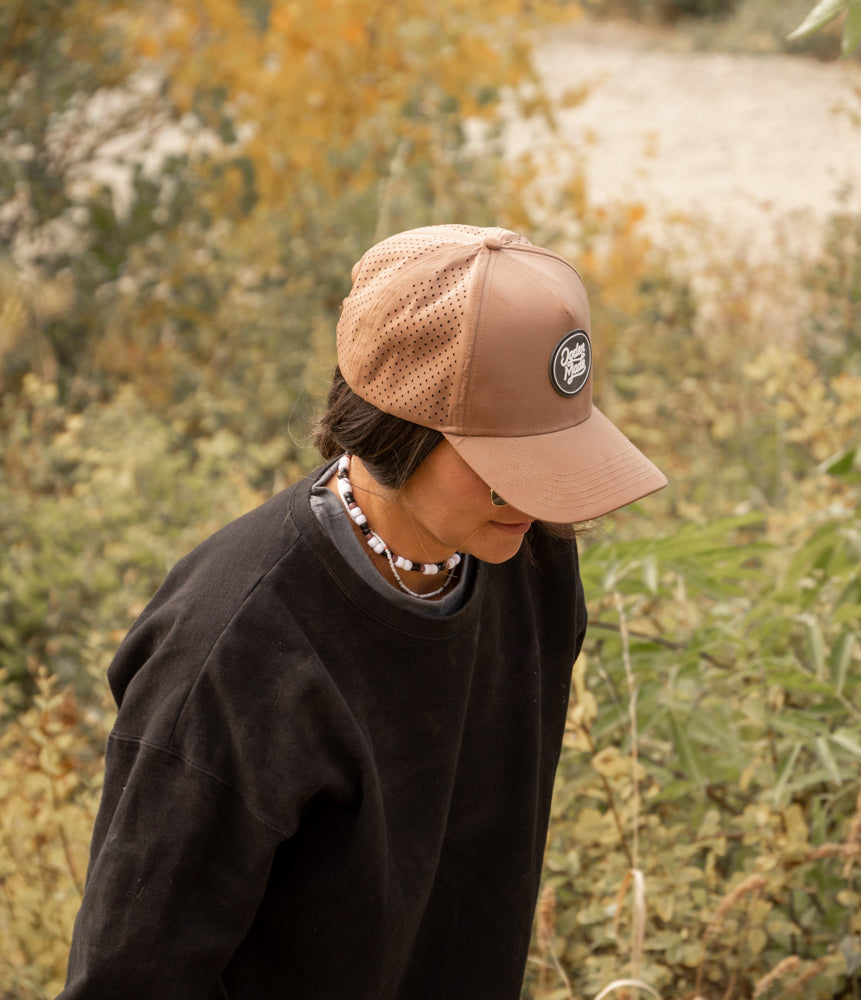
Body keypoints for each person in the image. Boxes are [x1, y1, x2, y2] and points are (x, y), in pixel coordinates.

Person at [59, 224, 667, 999]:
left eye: (554, 457)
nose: (535, 495)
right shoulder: (231, 654)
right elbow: (131, 976)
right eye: (507, 463)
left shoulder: (528, 556)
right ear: (397, 430)